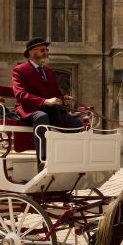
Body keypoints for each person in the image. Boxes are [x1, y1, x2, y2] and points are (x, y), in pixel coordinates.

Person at [12, 37, 81, 168]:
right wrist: (45, 101)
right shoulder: (19, 70)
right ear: (32, 52)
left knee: (74, 121)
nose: (46, 52)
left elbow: (55, 93)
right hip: (29, 110)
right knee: (42, 117)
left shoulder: (49, 71)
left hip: (50, 110)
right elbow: (21, 95)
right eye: (43, 50)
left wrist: (64, 98)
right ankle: (42, 161)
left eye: (47, 50)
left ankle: (73, 159)